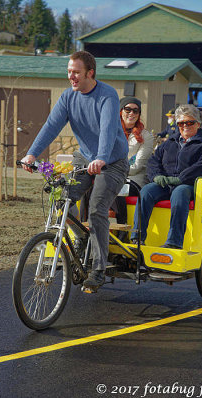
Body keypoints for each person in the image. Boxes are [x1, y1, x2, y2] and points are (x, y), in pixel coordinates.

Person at [21, 50, 129, 289]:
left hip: (112, 163)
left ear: (90, 73)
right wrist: (32, 154)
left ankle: (98, 269)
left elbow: (108, 129)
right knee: (60, 201)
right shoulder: (68, 97)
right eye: (69, 71)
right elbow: (51, 126)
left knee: (97, 209)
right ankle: (82, 239)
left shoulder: (107, 95)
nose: (71, 76)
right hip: (85, 158)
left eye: (76, 72)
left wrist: (101, 158)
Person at [130, 104, 202, 249]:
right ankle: (137, 237)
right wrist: (156, 176)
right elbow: (153, 161)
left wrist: (181, 179)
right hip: (165, 183)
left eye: (189, 122)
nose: (185, 126)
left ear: (198, 124)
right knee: (146, 191)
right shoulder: (169, 143)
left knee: (179, 192)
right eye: (181, 123)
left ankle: (174, 242)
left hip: (189, 185)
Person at [113, 97, 154, 233]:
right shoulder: (111, 131)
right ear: (120, 111)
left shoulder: (146, 136)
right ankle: (83, 233)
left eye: (136, 111)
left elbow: (136, 167)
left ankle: (122, 229)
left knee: (116, 189)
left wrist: (111, 169)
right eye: (128, 109)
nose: (132, 113)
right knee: (88, 191)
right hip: (111, 176)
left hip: (133, 180)